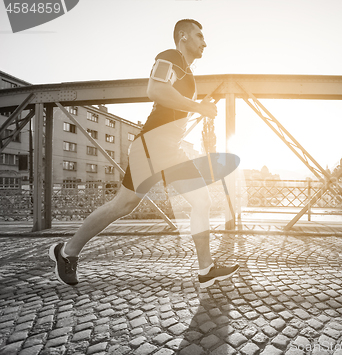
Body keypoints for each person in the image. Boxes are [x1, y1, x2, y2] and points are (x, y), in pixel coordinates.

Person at [49, 19, 239, 288]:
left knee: (197, 201)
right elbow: (155, 89)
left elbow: (174, 102)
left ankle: (206, 268)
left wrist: (198, 107)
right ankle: (66, 252)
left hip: (166, 149)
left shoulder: (186, 71)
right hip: (151, 146)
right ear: (182, 36)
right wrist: (199, 108)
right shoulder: (170, 57)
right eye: (199, 36)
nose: (204, 42)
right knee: (124, 205)